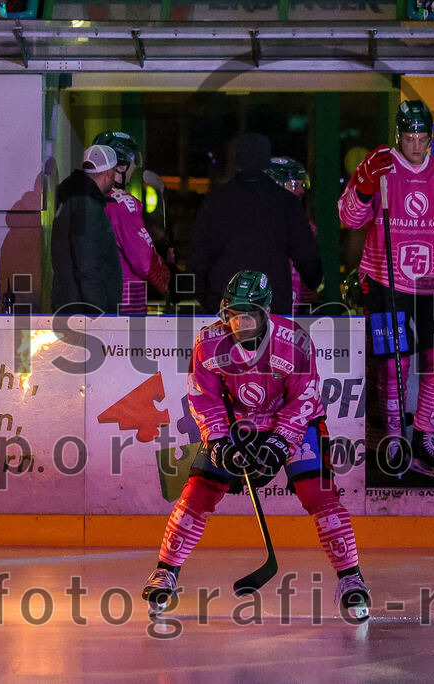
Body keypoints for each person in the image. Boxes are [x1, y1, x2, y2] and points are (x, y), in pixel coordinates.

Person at [142, 270, 371, 622]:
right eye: (234, 313)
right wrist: (218, 440)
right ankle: (166, 572)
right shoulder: (208, 343)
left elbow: (305, 398)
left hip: (296, 423)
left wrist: (280, 442)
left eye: (249, 314)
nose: (240, 322)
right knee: (198, 490)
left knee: (318, 493)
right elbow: (204, 398)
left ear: (266, 313)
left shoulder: (294, 341)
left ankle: (351, 578)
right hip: (238, 426)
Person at [337, 100, 434, 479]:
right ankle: (394, 438)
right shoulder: (382, 167)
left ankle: (424, 434)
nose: (414, 145)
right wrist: (362, 186)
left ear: (431, 138)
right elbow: (348, 217)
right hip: (385, 281)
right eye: (408, 138)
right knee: (394, 363)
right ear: (398, 135)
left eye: (422, 138)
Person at [187, 133, 322, 316]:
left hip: (226, 304)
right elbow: (306, 254)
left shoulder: (215, 201)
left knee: (226, 346)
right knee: (271, 346)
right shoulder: (286, 202)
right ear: (266, 162)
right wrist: (314, 279)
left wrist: (208, 299)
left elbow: (198, 257)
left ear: (238, 161)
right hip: (272, 305)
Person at [93, 130, 170, 315]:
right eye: (133, 161)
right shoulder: (123, 203)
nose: (135, 168)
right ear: (120, 166)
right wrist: (166, 277)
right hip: (124, 308)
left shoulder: (81, 200)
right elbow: (144, 261)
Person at [50, 144, 124, 314]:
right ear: (107, 174)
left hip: (73, 306)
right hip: (83, 312)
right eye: (114, 172)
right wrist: (100, 313)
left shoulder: (73, 200)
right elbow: (87, 265)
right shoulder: (86, 207)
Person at [264, 156, 319, 313]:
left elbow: (310, 281)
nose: (301, 190)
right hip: (263, 310)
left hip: (290, 311)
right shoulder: (256, 223)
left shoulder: (302, 224)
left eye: (303, 184)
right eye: (295, 184)